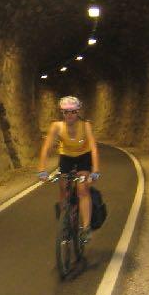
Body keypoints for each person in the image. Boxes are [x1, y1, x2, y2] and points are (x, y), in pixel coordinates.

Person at [37, 95, 100, 242]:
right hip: (66, 157)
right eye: (66, 112)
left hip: (83, 157)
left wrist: (95, 170)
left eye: (73, 112)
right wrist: (42, 169)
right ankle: (64, 219)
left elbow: (94, 148)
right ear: (62, 113)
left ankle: (86, 228)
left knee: (82, 189)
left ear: (78, 112)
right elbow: (47, 147)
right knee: (63, 186)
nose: (69, 115)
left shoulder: (85, 126)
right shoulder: (57, 126)